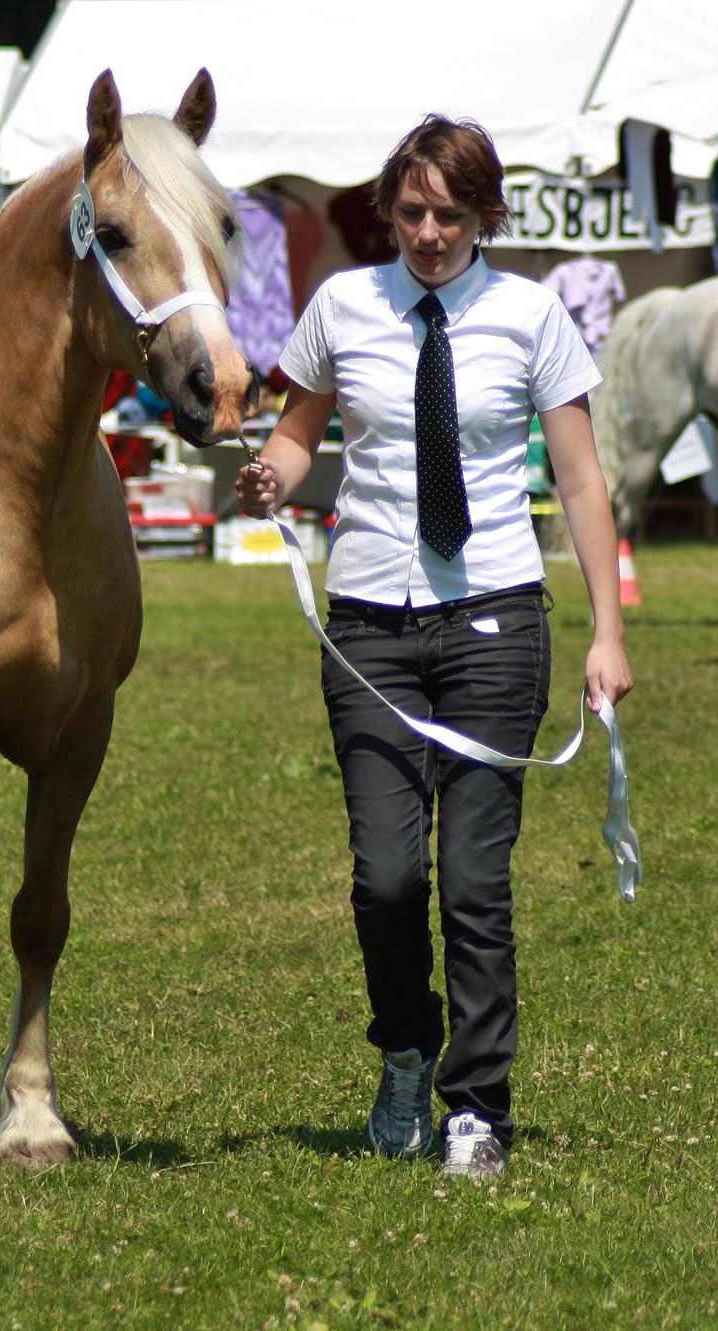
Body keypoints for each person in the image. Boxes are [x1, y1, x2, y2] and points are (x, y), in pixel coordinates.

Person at [237, 115, 632, 1181]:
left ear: (484, 214)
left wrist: (607, 630)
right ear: (389, 209)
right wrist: (273, 471)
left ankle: (476, 1107)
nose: (426, 232)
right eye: (410, 211)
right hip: (366, 624)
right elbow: (297, 430)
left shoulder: (531, 316)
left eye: (449, 214)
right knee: (385, 878)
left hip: (496, 623)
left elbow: (584, 481)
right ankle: (406, 1050)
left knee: (470, 878)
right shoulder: (341, 307)